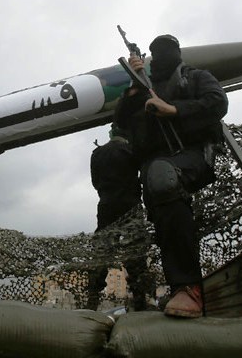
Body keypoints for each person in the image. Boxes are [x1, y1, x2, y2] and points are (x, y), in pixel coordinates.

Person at [113, 34, 228, 318]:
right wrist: (133, 85)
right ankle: (178, 288)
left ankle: (189, 288)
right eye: (156, 52)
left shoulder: (195, 77)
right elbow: (121, 122)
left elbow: (217, 103)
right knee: (161, 199)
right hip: (155, 167)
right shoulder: (142, 89)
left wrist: (174, 109)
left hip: (193, 155)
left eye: (166, 51)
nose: (161, 56)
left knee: (162, 177)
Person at [87, 123, 151, 311]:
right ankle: (139, 299)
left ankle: (92, 298)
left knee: (102, 252)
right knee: (135, 250)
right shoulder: (132, 150)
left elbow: (95, 181)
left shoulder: (97, 153)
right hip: (130, 206)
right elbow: (144, 176)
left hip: (106, 205)